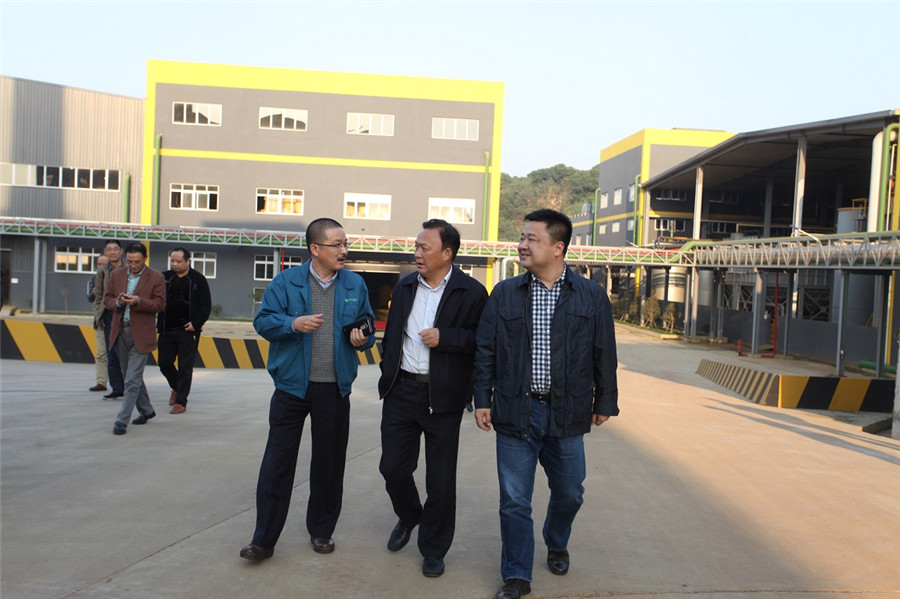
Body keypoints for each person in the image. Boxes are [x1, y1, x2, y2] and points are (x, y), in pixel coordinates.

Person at [473, 209, 619, 599]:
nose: (522, 245)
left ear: (557, 248)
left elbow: (604, 351)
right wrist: (482, 398)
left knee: (570, 492)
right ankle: (517, 575)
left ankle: (556, 540)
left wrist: (606, 399)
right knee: (514, 500)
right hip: (515, 409)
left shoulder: (590, 295)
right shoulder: (505, 292)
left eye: (531, 239)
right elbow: (485, 349)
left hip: (567, 411)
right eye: (522, 237)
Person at [240, 218, 376, 562]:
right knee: (277, 463)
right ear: (315, 249)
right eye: (337, 245)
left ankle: (322, 530)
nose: (344, 251)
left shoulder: (355, 284)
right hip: (291, 389)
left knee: (329, 463)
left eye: (346, 244)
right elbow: (263, 321)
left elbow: (367, 326)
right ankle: (263, 540)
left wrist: (361, 337)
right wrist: (292, 324)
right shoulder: (286, 282)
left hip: (335, 388)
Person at [377, 219, 488, 578]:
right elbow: (392, 336)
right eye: (416, 246)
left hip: (443, 397)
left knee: (440, 481)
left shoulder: (472, 292)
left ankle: (434, 548)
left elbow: (483, 342)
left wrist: (447, 337)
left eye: (425, 248)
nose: (417, 253)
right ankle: (411, 516)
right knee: (393, 469)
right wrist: (387, 371)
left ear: (447, 253)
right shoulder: (406, 286)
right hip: (401, 390)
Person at [104, 243, 166, 435]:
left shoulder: (156, 277)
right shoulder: (117, 275)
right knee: (130, 376)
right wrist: (118, 302)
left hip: (141, 334)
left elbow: (160, 304)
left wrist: (139, 301)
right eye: (129, 261)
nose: (133, 265)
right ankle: (147, 410)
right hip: (120, 332)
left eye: (137, 261)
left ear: (145, 259)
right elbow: (107, 299)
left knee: (131, 380)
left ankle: (121, 421)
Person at [156, 247, 212, 415]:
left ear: (188, 261)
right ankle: (176, 387)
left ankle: (181, 401)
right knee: (164, 363)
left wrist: (196, 323)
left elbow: (206, 306)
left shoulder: (198, 280)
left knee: (185, 367)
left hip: (187, 331)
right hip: (166, 329)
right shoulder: (164, 278)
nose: (175, 264)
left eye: (178, 261)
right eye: (172, 261)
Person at [93, 240, 126, 399]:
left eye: (115, 249)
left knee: (126, 352)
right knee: (111, 352)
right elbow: (98, 297)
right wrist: (98, 316)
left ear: (121, 251)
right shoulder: (102, 271)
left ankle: (130, 385)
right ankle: (117, 388)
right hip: (108, 314)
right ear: (105, 252)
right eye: (109, 249)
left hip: (126, 313)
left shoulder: (129, 267)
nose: (112, 252)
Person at [88, 254, 110, 392]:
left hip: (115, 321)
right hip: (100, 320)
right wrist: (93, 293)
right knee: (101, 353)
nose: (101, 266)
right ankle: (101, 381)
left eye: (104, 264)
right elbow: (90, 297)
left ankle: (121, 383)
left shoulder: (118, 276)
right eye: (99, 264)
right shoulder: (94, 278)